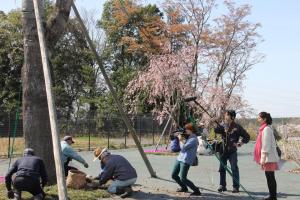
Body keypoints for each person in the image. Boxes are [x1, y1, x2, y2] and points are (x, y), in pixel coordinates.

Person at [214, 110, 250, 193]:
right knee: (222, 168)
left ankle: (236, 187)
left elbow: (247, 137)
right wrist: (214, 122)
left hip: (232, 151)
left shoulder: (237, 127)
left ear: (232, 117)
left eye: (226, 115)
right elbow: (216, 130)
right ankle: (222, 185)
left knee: (234, 168)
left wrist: (240, 143)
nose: (225, 116)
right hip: (222, 150)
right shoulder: (223, 125)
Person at [254, 112, 279, 200]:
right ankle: (272, 195)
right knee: (269, 176)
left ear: (264, 119)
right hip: (268, 158)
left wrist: (263, 158)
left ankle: (273, 196)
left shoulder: (266, 129)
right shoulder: (264, 129)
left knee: (270, 177)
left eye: (259, 118)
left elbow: (266, 145)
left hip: (269, 158)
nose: (258, 119)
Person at [171, 123, 201, 196]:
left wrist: (180, 138)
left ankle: (196, 190)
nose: (185, 131)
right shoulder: (188, 136)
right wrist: (176, 136)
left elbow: (183, 147)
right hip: (180, 158)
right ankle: (184, 187)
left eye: (186, 129)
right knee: (174, 175)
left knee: (183, 178)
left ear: (191, 130)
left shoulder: (194, 139)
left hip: (186, 160)